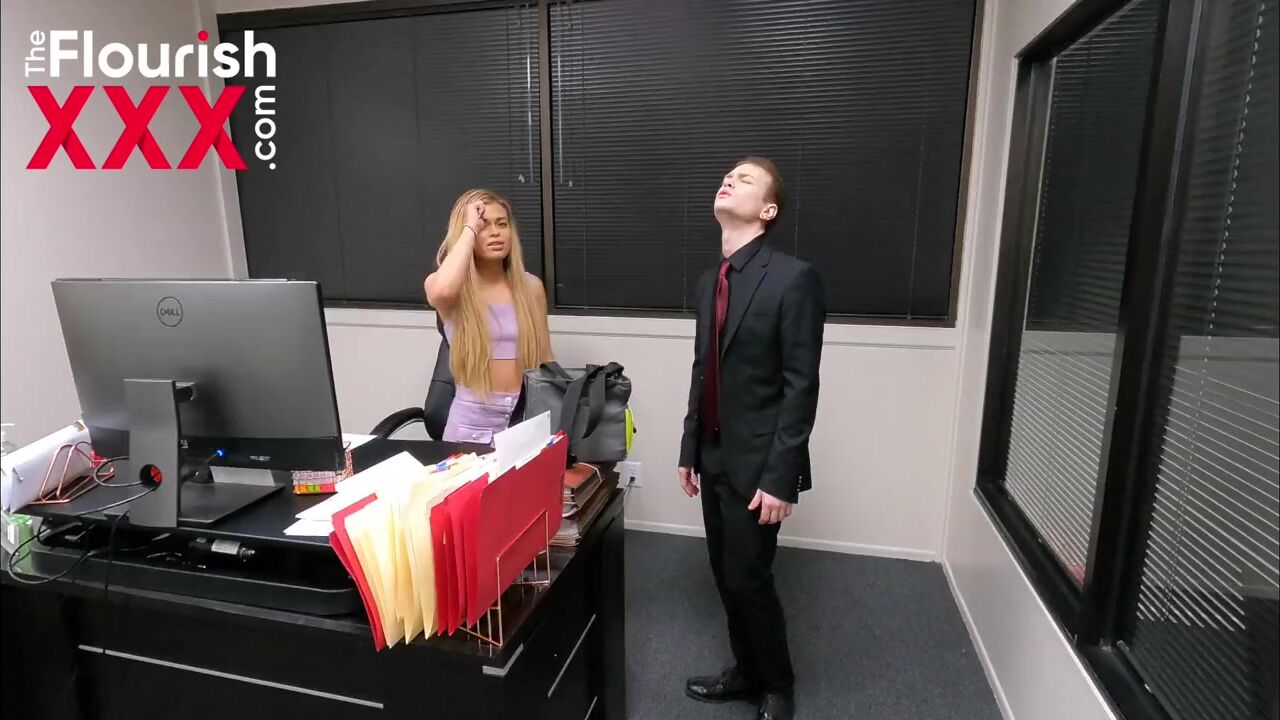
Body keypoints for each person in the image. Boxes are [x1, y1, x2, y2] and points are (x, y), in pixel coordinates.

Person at [678, 157, 825, 720]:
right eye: (727, 175)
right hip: (713, 454)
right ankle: (746, 672)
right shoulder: (708, 282)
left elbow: (801, 385)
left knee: (749, 578)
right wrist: (690, 449)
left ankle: (778, 686)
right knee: (723, 572)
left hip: (761, 461)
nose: (728, 180)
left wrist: (782, 477)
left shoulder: (794, 278)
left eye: (744, 179)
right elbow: (703, 370)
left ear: (767, 210)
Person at [425, 189, 553, 444]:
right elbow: (442, 291)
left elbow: (546, 359)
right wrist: (470, 227)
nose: (495, 232)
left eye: (502, 224)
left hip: (522, 421)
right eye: (484, 226)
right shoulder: (453, 290)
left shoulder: (531, 287)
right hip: (470, 427)